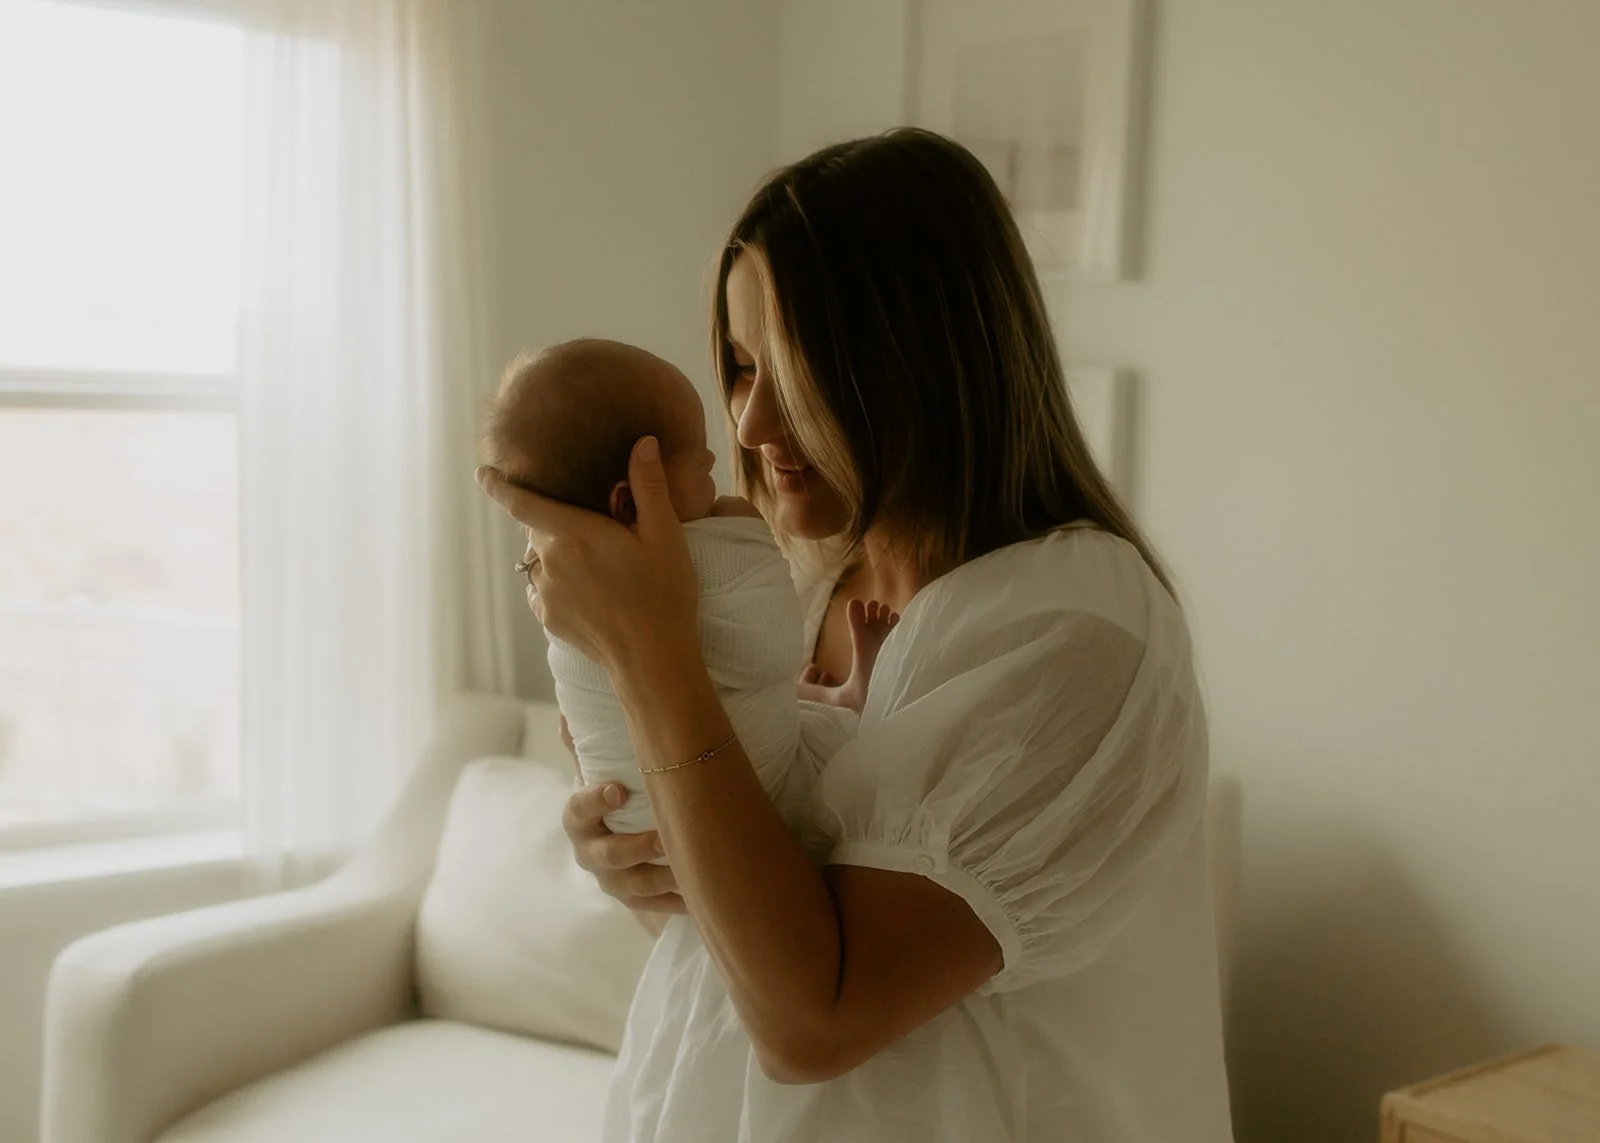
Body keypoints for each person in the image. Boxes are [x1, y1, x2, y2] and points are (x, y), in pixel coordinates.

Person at [478, 129, 1234, 1142]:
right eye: (740, 368)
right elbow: (747, 934)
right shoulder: (801, 585)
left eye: (792, 367)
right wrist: (638, 866)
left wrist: (647, 654)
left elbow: (812, 1022)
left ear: (916, 360)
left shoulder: (1073, 631)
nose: (746, 424)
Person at [484, 337, 894, 841]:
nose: (742, 435)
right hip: (738, 826)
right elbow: (774, 644)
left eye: (793, 369)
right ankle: (845, 700)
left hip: (640, 827)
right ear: (633, 501)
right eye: (704, 468)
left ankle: (837, 699)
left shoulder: (561, 586)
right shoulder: (706, 558)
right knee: (821, 742)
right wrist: (740, 523)